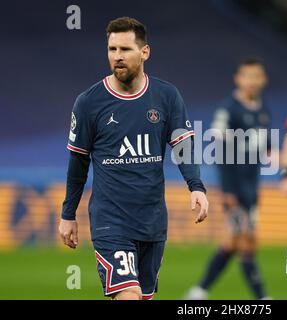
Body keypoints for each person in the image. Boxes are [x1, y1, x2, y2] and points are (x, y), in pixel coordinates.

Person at [58, 17, 208, 300]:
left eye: (125, 49)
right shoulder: (89, 102)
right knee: (129, 297)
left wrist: (196, 186)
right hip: (110, 220)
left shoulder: (166, 96)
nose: (117, 57)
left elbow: (184, 145)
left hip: (152, 222)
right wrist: (68, 214)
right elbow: (78, 164)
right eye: (112, 49)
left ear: (145, 52)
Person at [186, 59, 271, 300]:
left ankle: (200, 289)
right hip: (233, 189)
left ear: (263, 79)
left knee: (233, 242)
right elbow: (220, 151)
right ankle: (262, 297)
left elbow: (264, 149)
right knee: (246, 241)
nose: (252, 81)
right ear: (238, 79)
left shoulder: (263, 110)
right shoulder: (228, 109)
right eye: (247, 76)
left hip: (252, 187)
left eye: (257, 76)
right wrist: (228, 190)